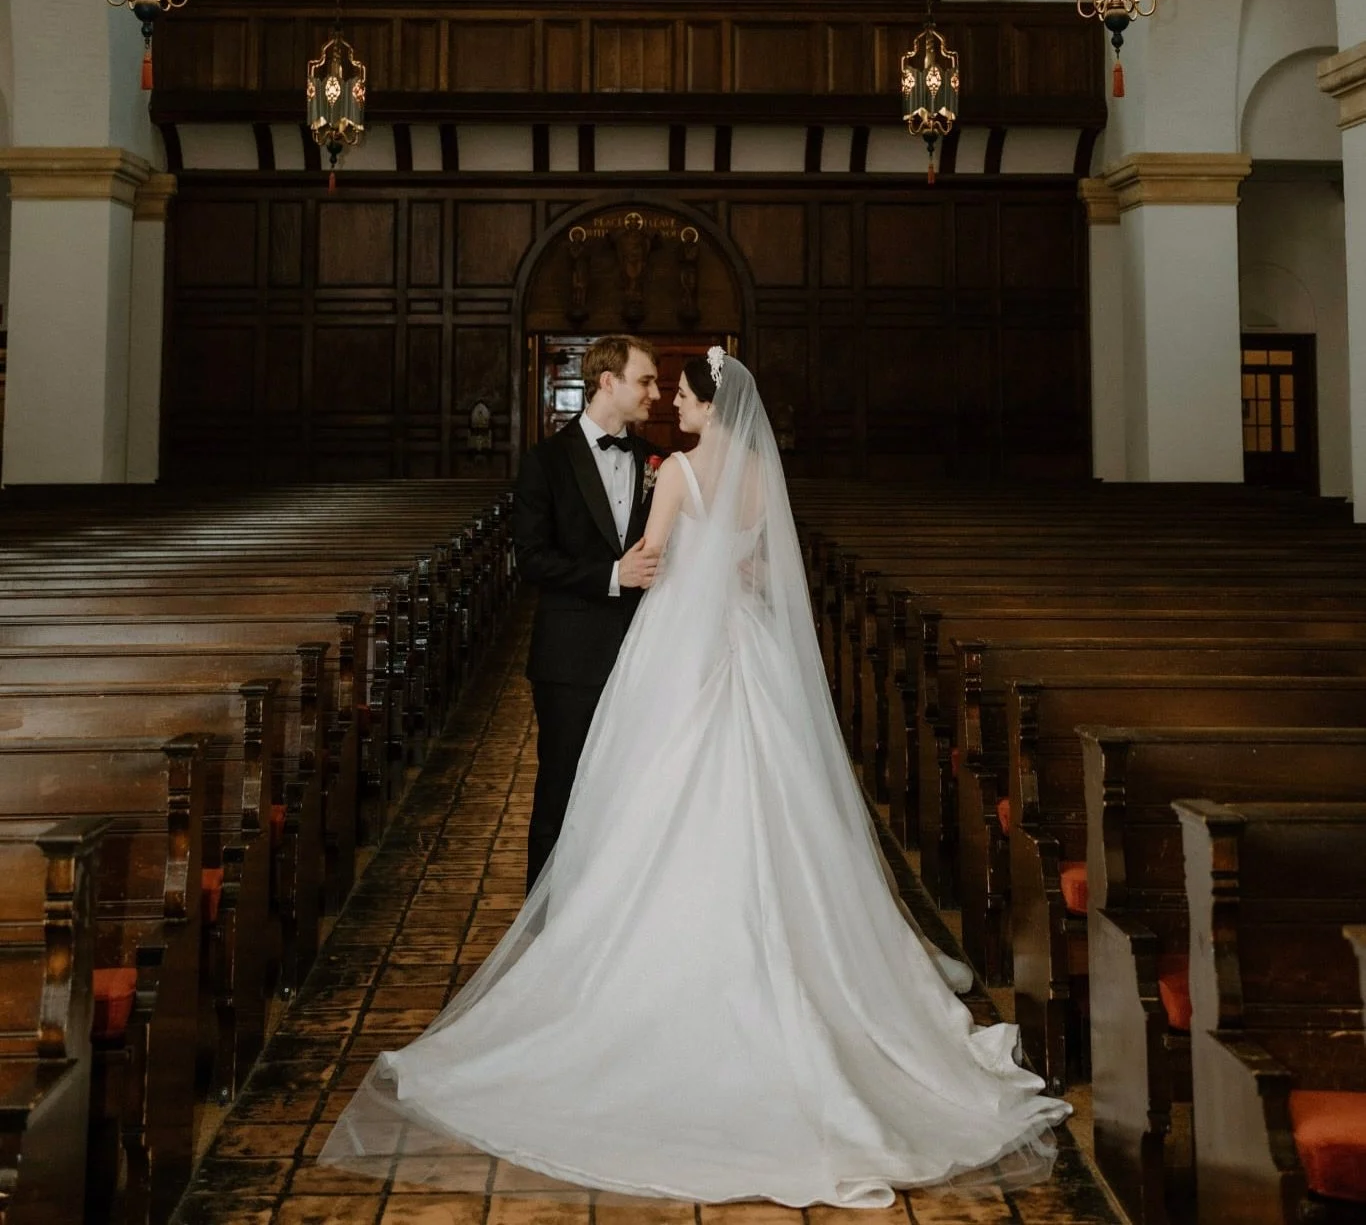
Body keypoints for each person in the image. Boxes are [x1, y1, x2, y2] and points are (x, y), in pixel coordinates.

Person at [320, 348, 1071, 1205]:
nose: (665, 399)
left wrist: (654, 560)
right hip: (745, 658)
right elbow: (753, 566)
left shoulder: (674, 468)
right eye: (654, 385)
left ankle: (607, 959)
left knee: (651, 802)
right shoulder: (756, 472)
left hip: (676, 659)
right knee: (763, 808)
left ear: (708, 403)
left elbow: (653, 558)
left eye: (676, 390)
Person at [512, 334, 660, 892]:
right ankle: (542, 924)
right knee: (561, 788)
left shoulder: (656, 461)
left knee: (634, 790)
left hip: (646, 650)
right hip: (570, 659)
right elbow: (530, 559)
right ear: (607, 381)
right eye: (644, 380)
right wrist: (610, 576)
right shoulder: (545, 462)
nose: (655, 392)